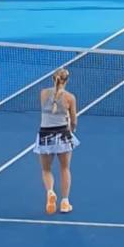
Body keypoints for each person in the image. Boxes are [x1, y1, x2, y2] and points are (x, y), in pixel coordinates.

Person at [35, 68, 79, 215]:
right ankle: (65, 202)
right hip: (63, 135)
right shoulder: (70, 98)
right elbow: (74, 120)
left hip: (45, 135)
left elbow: (50, 107)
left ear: (53, 79)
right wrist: (72, 129)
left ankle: (50, 192)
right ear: (66, 80)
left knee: (46, 170)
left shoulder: (43, 94)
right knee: (65, 168)